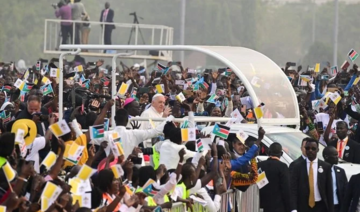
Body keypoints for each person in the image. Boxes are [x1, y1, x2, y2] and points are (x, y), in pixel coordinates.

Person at [290, 138, 334, 212]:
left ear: (317, 150)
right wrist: (293, 209)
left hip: (320, 206)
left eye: (313, 148)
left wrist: (331, 209)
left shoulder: (326, 166)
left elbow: (329, 189)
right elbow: (293, 189)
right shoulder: (298, 166)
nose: (310, 150)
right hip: (303, 206)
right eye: (307, 148)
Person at [257, 142, 293, 212]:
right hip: (278, 207)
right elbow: (286, 189)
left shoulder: (259, 165)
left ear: (268, 152)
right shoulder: (283, 167)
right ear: (281, 154)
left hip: (261, 206)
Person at [322, 146, 348, 212]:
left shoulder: (341, 171)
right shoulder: (319, 171)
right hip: (324, 207)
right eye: (335, 155)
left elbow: (346, 191)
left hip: (337, 207)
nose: (337, 157)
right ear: (326, 157)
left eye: (337, 155)